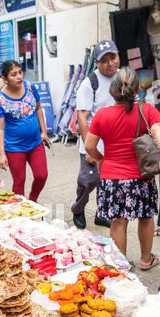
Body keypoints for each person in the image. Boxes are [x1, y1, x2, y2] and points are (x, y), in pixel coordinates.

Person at [85, 67, 160, 270]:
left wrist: (100, 160)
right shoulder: (147, 111)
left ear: (112, 90)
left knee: (118, 222)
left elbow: (89, 147)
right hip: (142, 177)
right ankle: (146, 260)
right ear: (137, 90)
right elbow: (158, 132)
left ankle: (120, 265)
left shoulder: (102, 115)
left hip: (112, 177)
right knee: (146, 217)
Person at [71, 39, 120, 229]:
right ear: (97, 63)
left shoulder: (122, 77)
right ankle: (78, 209)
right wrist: (89, 149)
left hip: (114, 144)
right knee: (87, 182)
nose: (110, 63)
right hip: (93, 143)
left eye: (113, 57)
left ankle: (102, 213)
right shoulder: (89, 83)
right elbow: (82, 117)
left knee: (108, 182)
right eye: (105, 60)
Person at [0, 60, 49, 202]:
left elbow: (38, 108)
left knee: (42, 175)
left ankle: (33, 200)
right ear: (5, 79)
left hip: (35, 143)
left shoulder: (30, 87)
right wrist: (1, 154)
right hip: (14, 147)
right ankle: (19, 210)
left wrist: (44, 132)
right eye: (13, 74)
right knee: (19, 181)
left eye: (20, 72)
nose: (19, 77)